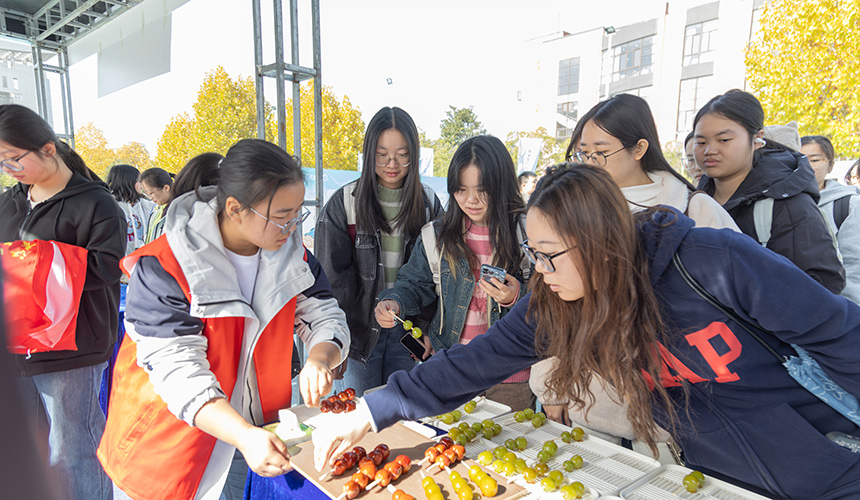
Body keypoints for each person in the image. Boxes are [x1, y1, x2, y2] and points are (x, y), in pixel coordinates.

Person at [313, 164, 860, 500]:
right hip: (719, 476)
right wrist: (372, 409)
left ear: (598, 243)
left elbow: (843, 337)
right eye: (535, 256)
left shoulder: (716, 263)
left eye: (549, 256)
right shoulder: (561, 296)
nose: (540, 274)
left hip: (831, 468)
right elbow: (479, 360)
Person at [99, 139, 350, 500]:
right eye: (281, 215)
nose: (292, 226)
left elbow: (324, 312)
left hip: (254, 434)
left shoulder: (293, 256)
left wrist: (320, 357)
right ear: (235, 209)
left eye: (298, 213)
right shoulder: (165, 266)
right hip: (170, 442)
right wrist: (243, 434)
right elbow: (179, 374)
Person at [531, 94, 738, 456]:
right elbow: (549, 312)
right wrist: (551, 386)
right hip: (589, 407)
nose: (590, 162)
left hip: (668, 417)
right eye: (582, 153)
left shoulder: (694, 209)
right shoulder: (569, 211)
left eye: (600, 151)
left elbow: (733, 310)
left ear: (640, 147)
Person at [0, 104, 125, 500]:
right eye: (2, 162)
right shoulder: (10, 201)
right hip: (17, 344)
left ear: (48, 149)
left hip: (73, 348)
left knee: (72, 450)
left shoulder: (96, 203)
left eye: (15, 159)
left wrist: (33, 263)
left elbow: (108, 267)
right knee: (29, 449)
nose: (9, 170)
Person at [375, 136, 534, 410]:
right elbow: (414, 284)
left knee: (506, 447)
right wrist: (394, 301)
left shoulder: (530, 230)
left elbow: (556, 298)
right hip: (451, 369)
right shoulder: (435, 235)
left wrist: (517, 295)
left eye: (482, 190)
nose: (470, 200)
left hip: (510, 376)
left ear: (502, 185)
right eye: (461, 190)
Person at [314, 106, 443, 397]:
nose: (391, 164)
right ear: (369, 153)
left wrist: (427, 330)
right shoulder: (344, 202)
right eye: (382, 154)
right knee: (358, 422)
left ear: (414, 154)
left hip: (410, 333)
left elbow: (440, 277)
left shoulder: (429, 204)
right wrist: (337, 341)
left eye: (402, 154)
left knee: (406, 422)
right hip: (359, 335)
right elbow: (332, 282)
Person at [693, 89, 844, 293]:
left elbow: (822, 285)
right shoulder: (691, 202)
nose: (709, 150)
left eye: (724, 140)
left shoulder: (787, 204)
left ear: (757, 139)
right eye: (701, 142)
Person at [801, 135, 860, 304]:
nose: (807, 165)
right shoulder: (781, 202)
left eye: (815, 160)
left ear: (830, 165)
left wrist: (849, 311)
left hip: (838, 307)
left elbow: (854, 265)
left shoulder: (848, 204)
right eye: (800, 158)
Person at [106, 164, 155, 258]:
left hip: (142, 261)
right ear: (127, 182)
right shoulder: (110, 206)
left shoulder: (147, 206)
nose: (142, 184)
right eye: (138, 180)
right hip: (119, 264)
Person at [139, 167, 174, 243]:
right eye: (147, 194)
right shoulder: (156, 212)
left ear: (166, 188)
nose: (150, 198)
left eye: (151, 193)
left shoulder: (179, 211)